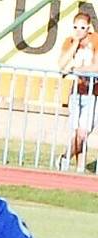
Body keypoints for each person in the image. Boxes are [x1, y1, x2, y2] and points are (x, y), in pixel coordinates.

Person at [57, 11, 98, 171]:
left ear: (88, 27)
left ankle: (65, 157)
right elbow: (61, 64)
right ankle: (79, 168)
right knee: (77, 133)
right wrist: (75, 43)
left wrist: (76, 69)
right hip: (76, 92)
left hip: (93, 93)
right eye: (75, 27)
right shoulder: (70, 41)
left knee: (83, 133)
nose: (78, 30)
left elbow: (96, 67)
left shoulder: (95, 39)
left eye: (82, 27)